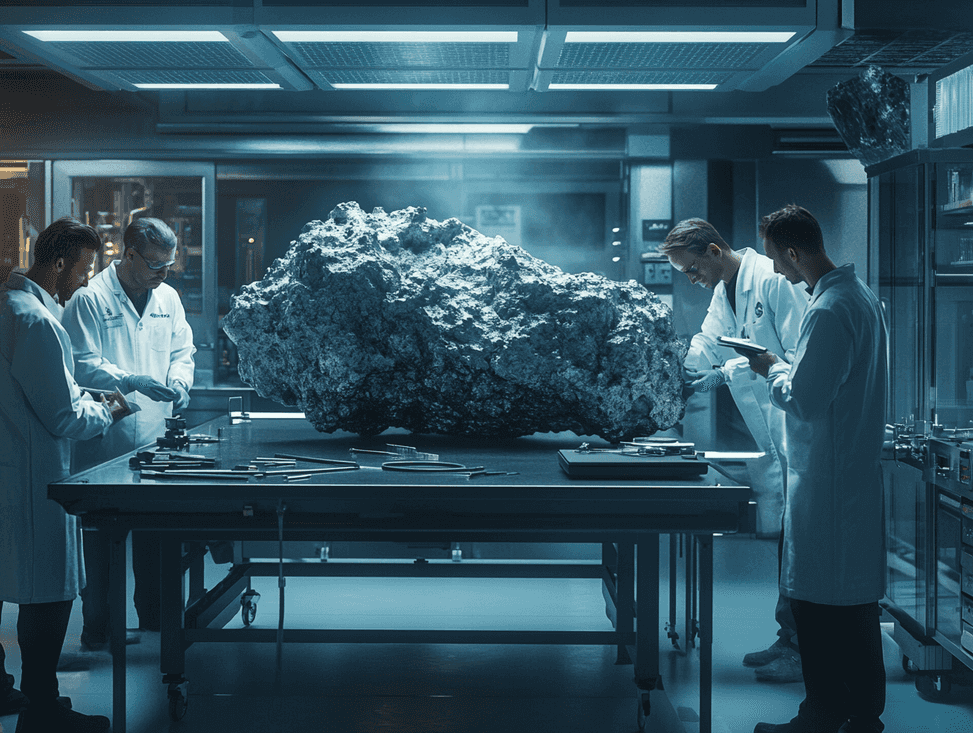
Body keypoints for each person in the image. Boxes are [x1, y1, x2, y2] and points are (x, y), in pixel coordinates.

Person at [747, 205, 887, 733]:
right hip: (847, 473)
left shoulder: (828, 310)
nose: (778, 273)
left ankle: (822, 714)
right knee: (854, 607)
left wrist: (771, 368)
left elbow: (805, 398)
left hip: (826, 480)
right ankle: (863, 713)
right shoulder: (861, 298)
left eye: (778, 262)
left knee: (821, 606)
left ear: (793, 252)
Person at [661, 218, 808, 683]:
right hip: (779, 433)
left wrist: (727, 374)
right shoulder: (726, 287)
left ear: (713, 250)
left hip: (801, 429)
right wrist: (681, 371)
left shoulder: (772, 281)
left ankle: (801, 650)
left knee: (799, 546)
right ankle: (789, 639)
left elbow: (801, 358)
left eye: (691, 269)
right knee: (790, 542)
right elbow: (710, 337)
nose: (691, 279)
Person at [0, 216, 121, 732]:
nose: (86, 281)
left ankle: (7, 694)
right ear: (56, 265)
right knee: (50, 589)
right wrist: (110, 410)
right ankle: (43, 709)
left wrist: (80, 397)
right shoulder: (40, 323)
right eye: (84, 269)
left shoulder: (8, 309)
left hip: (9, 469)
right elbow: (64, 416)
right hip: (32, 477)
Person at [62, 217, 195, 648]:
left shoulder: (168, 298)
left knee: (155, 539)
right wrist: (132, 379)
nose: (164, 273)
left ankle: (154, 620)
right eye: (156, 264)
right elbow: (82, 364)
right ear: (129, 254)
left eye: (170, 264)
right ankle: (97, 628)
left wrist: (180, 381)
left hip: (157, 438)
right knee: (101, 545)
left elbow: (182, 350)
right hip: (106, 442)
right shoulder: (89, 299)